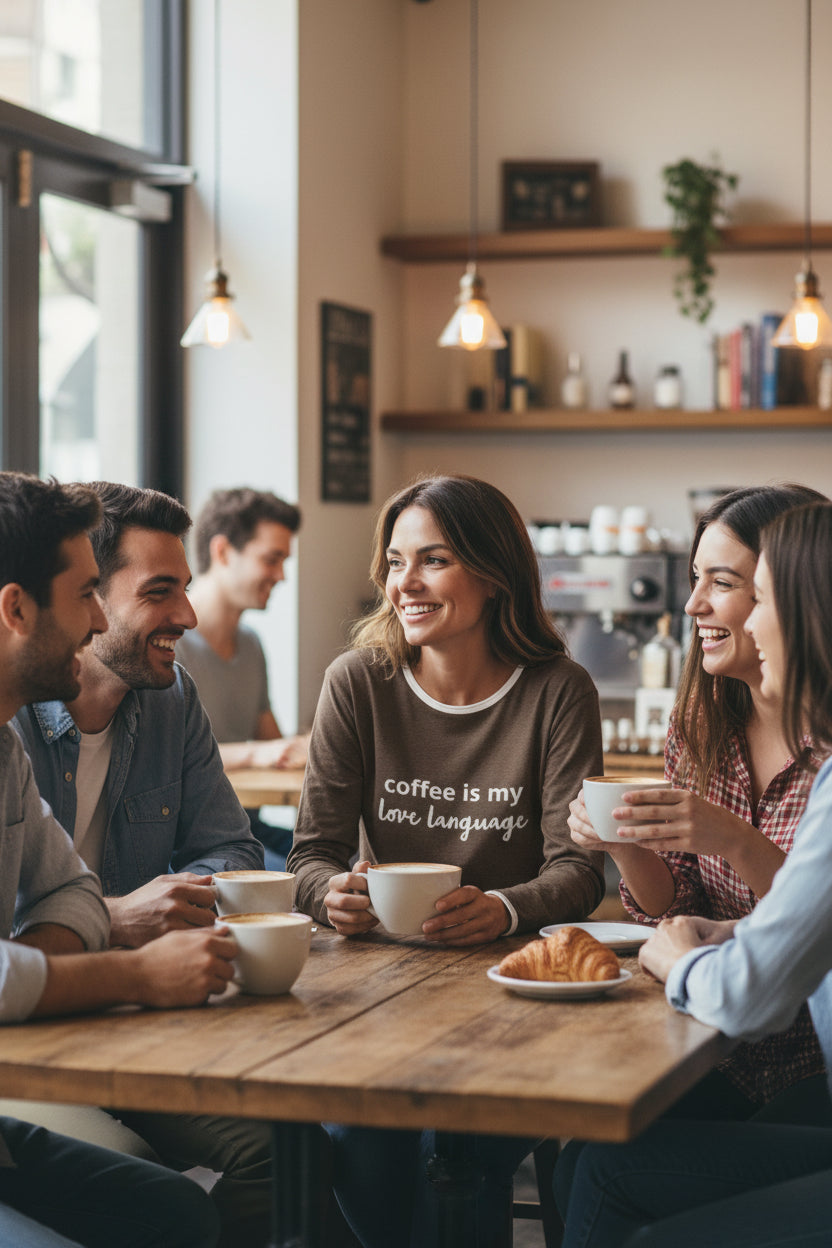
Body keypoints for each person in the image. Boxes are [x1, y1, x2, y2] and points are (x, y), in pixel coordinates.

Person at [287, 473, 605, 1248]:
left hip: (509, 995)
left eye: (433, 561)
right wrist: (333, 895)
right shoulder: (357, 683)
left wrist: (503, 908)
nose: (406, 584)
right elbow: (310, 856)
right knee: (360, 1143)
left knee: (453, 1152)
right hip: (375, 995)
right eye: (395, 563)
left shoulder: (558, 691)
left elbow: (581, 870)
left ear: (493, 575)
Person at [556, 499, 832, 1248]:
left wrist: (734, 844)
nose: (693, 604)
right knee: (583, 1151)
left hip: (795, 1054)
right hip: (708, 1042)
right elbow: (668, 910)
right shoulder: (702, 725)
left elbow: (793, 953)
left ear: (805, 605)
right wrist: (620, 847)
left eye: (731, 584)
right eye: (691, 578)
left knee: (609, 1173)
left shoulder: (825, 756)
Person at [12, 482, 271, 1248]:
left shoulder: (168, 700)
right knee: (152, 1194)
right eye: (159, 593)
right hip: (40, 1040)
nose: (190, 617)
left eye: (187, 590)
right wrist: (121, 937)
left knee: (281, 1151)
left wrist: (101, 934)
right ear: (22, 608)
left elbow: (231, 849)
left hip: (122, 1019)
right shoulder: (12, 722)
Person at [177, 487, 307, 869]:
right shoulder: (171, 645)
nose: (281, 575)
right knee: (300, 882)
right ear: (222, 552)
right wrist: (258, 753)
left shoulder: (250, 644)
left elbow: (275, 744)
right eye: (272, 559)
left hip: (248, 826)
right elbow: (170, 759)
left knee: (344, 862)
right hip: (191, 841)